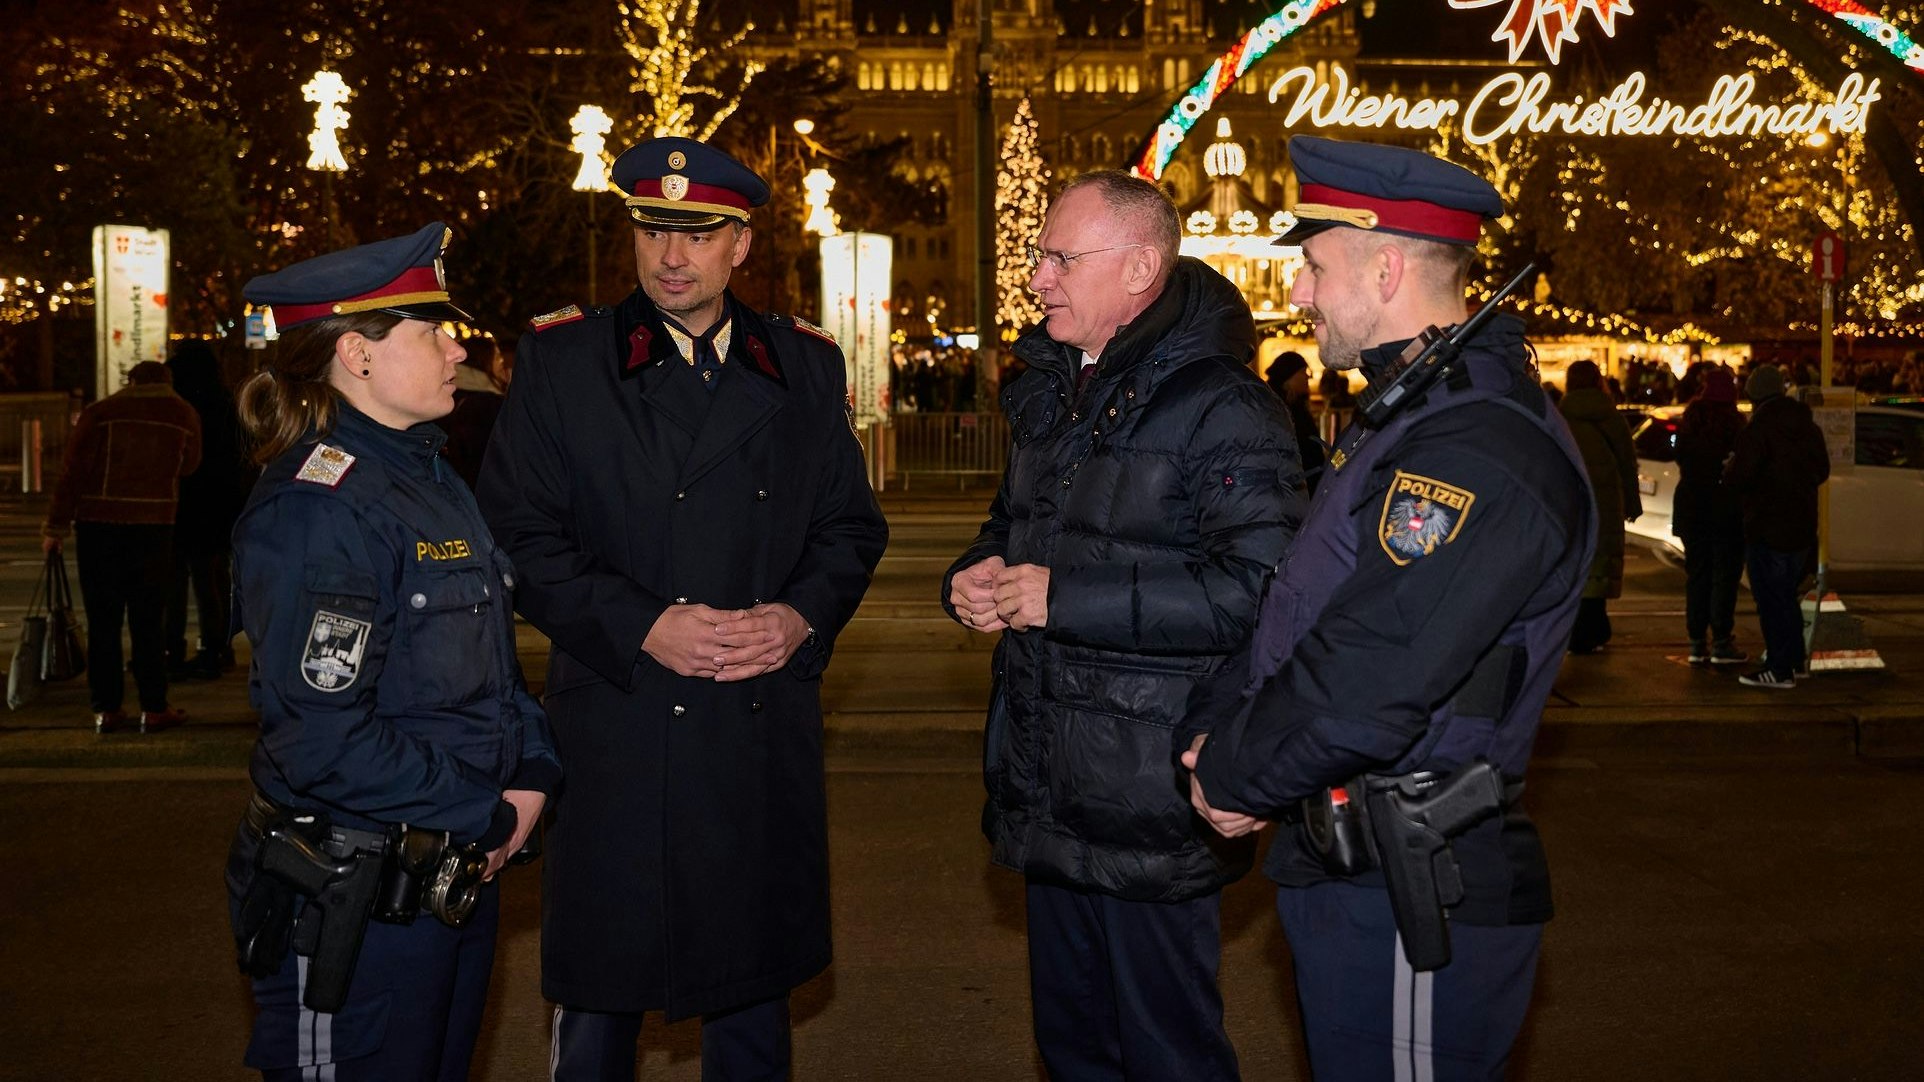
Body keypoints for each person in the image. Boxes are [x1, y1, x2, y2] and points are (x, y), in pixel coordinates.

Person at [476, 137, 888, 1081]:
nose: (671, 255)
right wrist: (643, 624)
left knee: (749, 997)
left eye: (697, 234)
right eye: (653, 229)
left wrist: (797, 620)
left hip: (752, 722)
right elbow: (521, 537)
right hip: (616, 721)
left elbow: (848, 530)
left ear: (740, 244)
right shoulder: (564, 363)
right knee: (598, 1002)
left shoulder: (802, 367)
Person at [1182, 136, 1594, 1080]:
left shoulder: (1474, 445)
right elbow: (1307, 607)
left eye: (1314, 266)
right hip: (1361, 871)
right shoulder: (1417, 420)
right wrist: (1224, 730)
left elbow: (1371, 672)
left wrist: (1238, 769)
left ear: (1388, 264)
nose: (1300, 293)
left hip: (1414, 896)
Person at [943, 169, 1302, 1080]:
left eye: (1060, 257)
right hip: (1049, 783)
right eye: (1038, 256)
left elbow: (1263, 592)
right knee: (1075, 1051)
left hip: (1149, 796)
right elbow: (1013, 528)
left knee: (1166, 1053)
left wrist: (1062, 597)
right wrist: (974, 577)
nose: (1038, 277)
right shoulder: (1059, 390)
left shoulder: (1224, 407)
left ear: (1140, 267)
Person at [222, 222, 558, 1079]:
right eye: (431, 331)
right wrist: (483, 810)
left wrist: (534, 772)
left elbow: (492, 665)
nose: (457, 349)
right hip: (353, 899)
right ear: (357, 356)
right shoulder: (319, 506)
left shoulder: (428, 477)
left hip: (447, 874)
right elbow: (322, 737)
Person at [42, 359, 201, 734]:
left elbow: (73, 471)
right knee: (149, 621)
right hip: (155, 526)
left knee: (103, 621)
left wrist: (56, 525)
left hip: (99, 526)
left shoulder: (101, 412)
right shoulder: (183, 413)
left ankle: (107, 708)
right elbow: (190, 465)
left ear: (131, 381)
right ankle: (154, 706)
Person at [1724, 363, 1830, 688]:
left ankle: (1779, 669)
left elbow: (1740, 477)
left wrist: (1730, 468)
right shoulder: (1807, 427)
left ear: (1754, 395)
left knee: (1772, 599)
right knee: (1786, 597)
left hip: (1767, 525)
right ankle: (1793, 661)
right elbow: (1822, 470)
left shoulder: (1758, 430)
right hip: (1800, 526)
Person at [164, 339, 250, 680]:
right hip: (219, 501)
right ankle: (216, 647)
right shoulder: (225, 404)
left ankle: (173, 646)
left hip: (182, 499)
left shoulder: (178, 406)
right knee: (212, 578)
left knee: (175, 579)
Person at [1558, 360, 1641, 654]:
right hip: (1606, 499)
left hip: (1572, 499)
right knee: (1601, 563)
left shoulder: (1560, 415)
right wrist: (1632, 501)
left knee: (1576, 562)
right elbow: (1627, 463)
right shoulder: (1610, 416)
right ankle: (1595, 626)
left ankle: (1579, 630)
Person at [1673, 366, 1749, 665]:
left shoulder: (1691, 419)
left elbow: (1681, 457)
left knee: (1697, 574)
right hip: (1725, 507)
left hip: (1692, 505)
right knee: (1724, 575)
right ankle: (1720, 639)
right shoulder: (1735, 423)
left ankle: (1696, 641)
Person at [438, 335, 508, 489]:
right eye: (497, 358)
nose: (501, 363)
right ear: (482, 362)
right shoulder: (488, 405)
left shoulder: (446, 394)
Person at [1266, 350, 1327, 494]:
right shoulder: (1276, 409)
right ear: (1288, 376)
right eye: (1302, 371)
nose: (1308, 376)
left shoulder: (1296, 406)